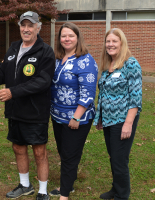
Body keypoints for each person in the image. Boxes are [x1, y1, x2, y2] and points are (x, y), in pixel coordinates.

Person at [0, 11, 55, 200]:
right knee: (18, 148)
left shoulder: (46, 51)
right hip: (15, 111)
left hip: (36, 111)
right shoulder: (13, 49)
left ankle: (43, 190)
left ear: (38, 27)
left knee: (39, 151)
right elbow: (0, 73)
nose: (26, 29)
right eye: (23, 25)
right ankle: (25, 185)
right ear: (19, 26)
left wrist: (13, 92)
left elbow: (42, 82)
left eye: (31, 25)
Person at [49, 22, 98, 200]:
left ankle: (64, 195)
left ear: (78, 38)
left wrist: (76, 117)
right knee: (64, 152)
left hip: (77, 117)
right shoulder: (57, 59)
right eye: (63, 36)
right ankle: (67, 185)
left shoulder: (85, 60)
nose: (67, 39)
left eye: (71, 36)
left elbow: (88, 92)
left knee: (69, 155)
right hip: (57, 115)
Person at [94, 28, 142, 200]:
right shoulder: (109, 65)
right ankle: (115, 188)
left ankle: (122, 195)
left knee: (119, 160)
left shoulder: (131, 64)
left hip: (123, 120)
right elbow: (104, 93)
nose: (110, 44)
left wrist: (128, 123)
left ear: (122, 43)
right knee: (114, 156)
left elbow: (136, 97)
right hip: (108, 120)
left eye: (114, 41)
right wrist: (100, 117)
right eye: (108, 41)